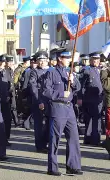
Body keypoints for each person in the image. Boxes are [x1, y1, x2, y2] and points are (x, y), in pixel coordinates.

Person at [42, 48, 82, 176]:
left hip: (69, 108)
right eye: (66, 58)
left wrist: (73, 80)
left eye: (69, 58)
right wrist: (60, 94)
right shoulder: (51, 73)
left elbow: (79, 87)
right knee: (55, 138)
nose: (69, 60)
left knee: (74, 137)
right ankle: (52, 167)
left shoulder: (68, 72)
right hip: (58, 108)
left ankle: (73, 166)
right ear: (60, 59)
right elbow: (46, 91)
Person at [77, 51, 103, 146]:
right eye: (94, 59)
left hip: (98, 99)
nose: (96, 61)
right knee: (91, 120)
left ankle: (93, 139)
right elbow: (81, 85)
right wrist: (80, 98)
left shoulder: (99, 70)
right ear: (90, 60)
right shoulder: (86, 70)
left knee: (96, 119)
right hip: (89, 98)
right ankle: (92, 140)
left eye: (97, 59)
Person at [29, 51, 49, 153]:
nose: (42, 63)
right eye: (39, 61)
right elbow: (33, 88)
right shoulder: (34, 72)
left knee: (49, 124)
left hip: (49, 101)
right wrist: (39, 101)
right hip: (39, 101)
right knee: (39, 125)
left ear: (47, 61)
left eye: (43, 60)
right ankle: (40, 146)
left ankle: (46, 142)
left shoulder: (51, 71)